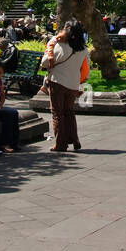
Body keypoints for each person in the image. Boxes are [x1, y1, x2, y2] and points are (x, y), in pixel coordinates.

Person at [41, 19, 89, 152]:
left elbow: (45, 63)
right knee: (69, 112)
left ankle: (60, 144)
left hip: (57, 82)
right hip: (73, 84)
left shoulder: (59, 45)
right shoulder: (83, 49)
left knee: (57, 113)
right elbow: (86, 69)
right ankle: (75, 140)